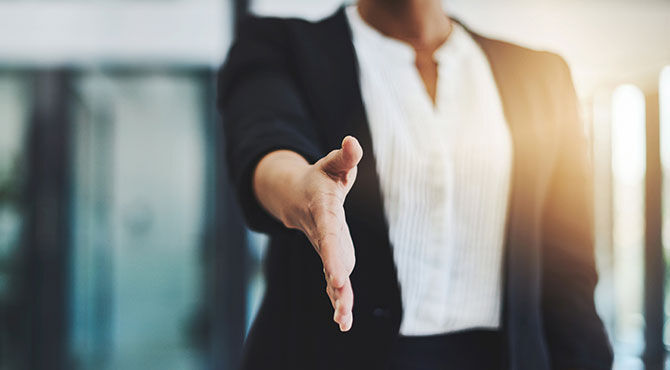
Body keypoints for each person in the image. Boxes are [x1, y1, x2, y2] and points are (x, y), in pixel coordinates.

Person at [217, 0, 613, 369]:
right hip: (331, 354)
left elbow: (569, 268)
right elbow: (266, 140)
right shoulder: (280, 45)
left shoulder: (541, 75)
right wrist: (304, 190)